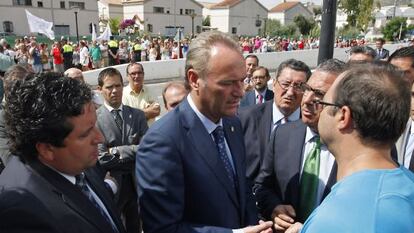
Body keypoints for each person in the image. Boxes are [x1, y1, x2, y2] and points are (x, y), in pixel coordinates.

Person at [136, 30, 273, 233]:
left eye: (242, 80)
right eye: (228, 83)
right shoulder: (162, 142)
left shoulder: (232, 124)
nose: (241, 91)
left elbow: (241, 190)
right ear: (194, 79)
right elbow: (162, 228)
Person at [292, 63, 414, 233]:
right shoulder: (407, 185)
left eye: (324, 101)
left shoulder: (335, 219)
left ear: (343, 116)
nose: (307, 101)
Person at [0, 72, 126, 233]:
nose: (99, 138)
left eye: (94, 126)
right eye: (85, 133)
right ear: (47, 149)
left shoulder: (76, 159)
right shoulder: (21, 213)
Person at [254, 59, 346, 232]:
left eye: (319, 94)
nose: (306, 100)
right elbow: (262, 186)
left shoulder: (358, 147)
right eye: (307, 90)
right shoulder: (283, 134)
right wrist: (274, 208)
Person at [239, 59, 311, 182]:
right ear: (274, 83)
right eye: (286, 84)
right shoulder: (246, 118)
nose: (290, 92)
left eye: (299, 86)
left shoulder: (311, 125)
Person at [96, 67, 148, 233]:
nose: (114, 91)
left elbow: (147, 149)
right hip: (112, 186)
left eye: (118, 86)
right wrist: (133, 151)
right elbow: (101, 157)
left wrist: (116, 151)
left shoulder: (138, 116)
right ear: (100, 90)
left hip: (137, 184)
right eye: (109, 87)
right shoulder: (95, 119)